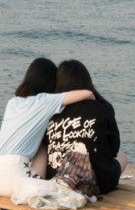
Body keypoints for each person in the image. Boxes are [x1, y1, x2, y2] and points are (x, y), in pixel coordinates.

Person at [0, 57, 95, 210]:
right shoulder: (44, 100)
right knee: (45, 154)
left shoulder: (13, 102)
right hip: (12, 176)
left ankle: (22, 191)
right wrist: (93, 100)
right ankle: (31, 190)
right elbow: (85, 93)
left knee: (39, 146)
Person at [44, 59, 128, 197]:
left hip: (57, 179)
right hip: (98, 183)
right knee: (122, 157)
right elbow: (114, 149)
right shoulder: (102, 107)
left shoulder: (51, 111)